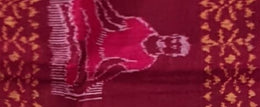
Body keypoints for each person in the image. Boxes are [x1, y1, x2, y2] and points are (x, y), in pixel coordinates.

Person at [60, 0, 190, 95]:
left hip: (94, 59)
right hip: (95, 34)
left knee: (74, 79)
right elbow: (111, 20)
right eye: (174, 41)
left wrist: (92, 82)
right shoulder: (142, 26)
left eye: (173, 48)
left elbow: (115, 67)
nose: (170, 44)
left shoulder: (146, 62)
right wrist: (101, 3)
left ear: (170, 54)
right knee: (83, 9)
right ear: (171, 36)